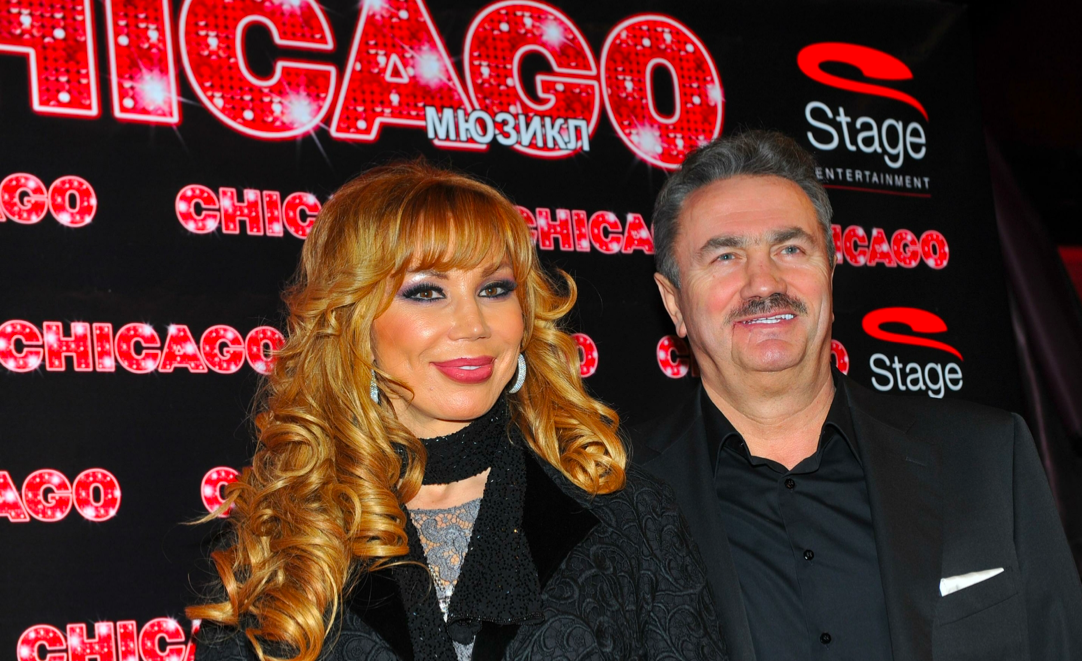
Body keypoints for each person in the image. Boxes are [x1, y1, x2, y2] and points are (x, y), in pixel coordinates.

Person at [188, 161, 727, 661]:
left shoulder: (625, 513)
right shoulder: (285, 536)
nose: (473, 325)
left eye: (494, 289)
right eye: (427, 292)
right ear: (354, 321)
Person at [630, 130, 1082, 660]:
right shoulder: (612, 496)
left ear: (830, 275)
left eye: (790, 249)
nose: (764, 283)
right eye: (725, 256)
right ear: (673, 303)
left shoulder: (989, 459)